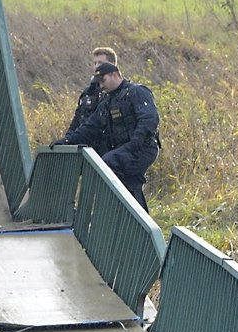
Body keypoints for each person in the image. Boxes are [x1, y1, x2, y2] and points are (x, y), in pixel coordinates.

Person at [55, 62, 160, 212]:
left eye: (103, 81)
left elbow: (150, 118)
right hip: (125, 149)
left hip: (143, 148)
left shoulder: (136, 92)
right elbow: (89, 128)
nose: (101, 86)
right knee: (128, 183)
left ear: (115, 75)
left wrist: (136, 140)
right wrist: (66, 141)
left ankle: (124, 216)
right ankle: (131, 220)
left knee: (109, 162)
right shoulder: (107, 102)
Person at [67, 46, 118, 133]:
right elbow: (77, 119)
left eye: (100, 63)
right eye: (95, 63)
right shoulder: (88, 93)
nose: (97, 66)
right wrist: (67, 141)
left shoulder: (122, 92)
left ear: (112, 64)